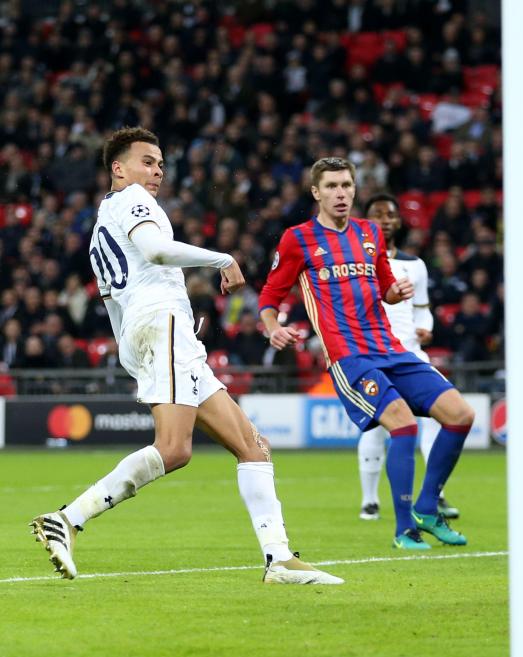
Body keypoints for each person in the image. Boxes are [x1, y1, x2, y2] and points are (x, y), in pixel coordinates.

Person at [30, 127, 342, 585]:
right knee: (175, 449)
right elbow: (157, 251)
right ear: (118, 169)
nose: (156, 171)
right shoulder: (133, 202)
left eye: (160, 163)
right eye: (146, 161)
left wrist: (132, 351)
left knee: (253, 446)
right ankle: (69, 518)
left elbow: (115, 302)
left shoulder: (102, 223)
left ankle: (279, 559)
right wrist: (222, 258)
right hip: (164, 324)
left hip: (155, 331)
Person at [258, 157, 474, 550]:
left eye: (346, 186)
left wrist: (398, 293)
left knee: (461, 415)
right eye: (331, 187)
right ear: (316, 192)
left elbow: (387, 288)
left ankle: (428, 507)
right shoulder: (298, 238)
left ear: (355, 189)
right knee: (404, 426)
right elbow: (271, 295)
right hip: (349, 357)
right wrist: (274, 328)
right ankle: (404, 528)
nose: (340, 194)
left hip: (391, 348)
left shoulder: (369, 232)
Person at [354, 193, 460, 522]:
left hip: (410, 353)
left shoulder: (416, 265)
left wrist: (426, 328)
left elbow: (423, 310)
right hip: (370, 355)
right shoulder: (355, 261)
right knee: (374, 429)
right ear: (365, 221)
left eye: (390, 215)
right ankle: (369, 500)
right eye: (377, 214)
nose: (385, 220)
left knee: (434, 422)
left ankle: (435, 494)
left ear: (399, 222)